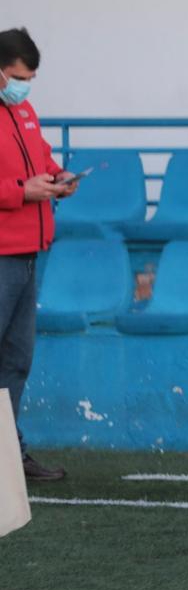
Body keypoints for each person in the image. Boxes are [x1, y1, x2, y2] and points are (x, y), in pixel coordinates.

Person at [0, 28, 81, 482]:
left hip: (28, 252)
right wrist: (19, 192)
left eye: (30, 77)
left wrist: (57, 178)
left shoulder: (23, 108)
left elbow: (41, 161)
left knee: (16, 360)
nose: (24, 84)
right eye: (17, 76)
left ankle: (8, 455)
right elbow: (17, 183)